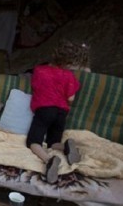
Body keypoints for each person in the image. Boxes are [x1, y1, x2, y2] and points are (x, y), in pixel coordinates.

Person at [26, 39, 90, 184]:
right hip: (61, 112)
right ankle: (65, 147)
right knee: (53, 141)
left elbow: (35, 86)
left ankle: (49, 160)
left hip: (44, 109)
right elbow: (71, 98)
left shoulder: (39, 70)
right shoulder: (69, 76)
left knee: (33, 141)